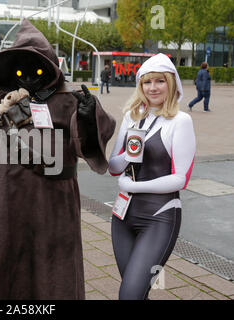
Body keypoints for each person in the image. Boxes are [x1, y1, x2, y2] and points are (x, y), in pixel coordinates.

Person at [0, 19, 115, 299]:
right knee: (5, 263)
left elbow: (87, 145)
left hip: (51, 203)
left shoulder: (69, 100)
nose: (29, 78)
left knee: (51, 269)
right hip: (3, 199)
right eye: (21, 71)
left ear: (51, 68)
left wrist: (89, 118)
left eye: (38, 70)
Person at [108, 53, 196, 300]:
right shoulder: (131, 116)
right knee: (137, 293)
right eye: (147, 82)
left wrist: (133, 186)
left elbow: (180, 179)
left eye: (160, 81)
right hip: (122, 218)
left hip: (159, 217)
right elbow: (113, 166)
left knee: (129, 295)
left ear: (171, 83)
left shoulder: (181, 121)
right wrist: (128, 156)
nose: (153, 88)